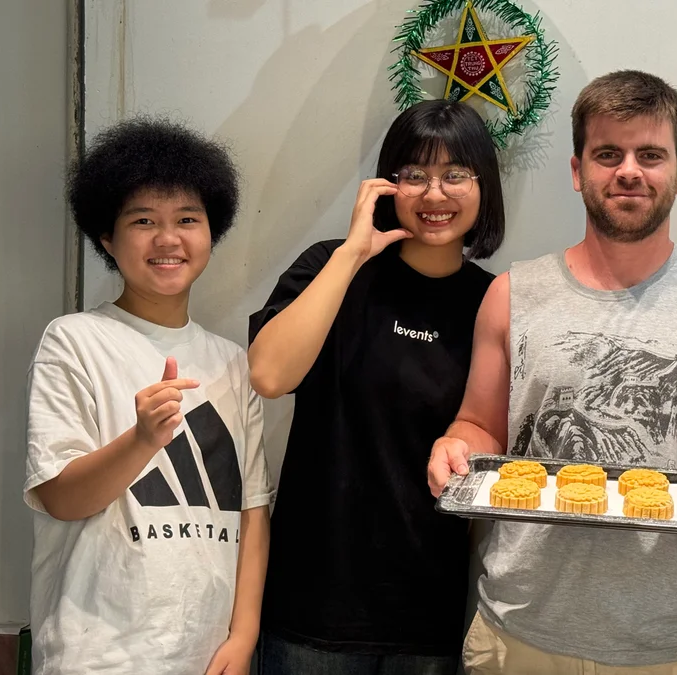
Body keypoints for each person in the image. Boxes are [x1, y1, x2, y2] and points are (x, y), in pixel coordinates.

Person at [427, 69, 677, 674]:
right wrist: (454, 448)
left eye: (651, 154)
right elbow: (478, 425)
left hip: (669, 640)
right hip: (517, 630)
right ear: (577, 170)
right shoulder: (512, 294)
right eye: (608, 154)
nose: (629, 171)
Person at [247, 99, 505, 674]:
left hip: (429, 607)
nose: (434, 195)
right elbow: (268, 375)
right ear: (386, 185)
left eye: (455, 175)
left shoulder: (495, 301)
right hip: (314, 605)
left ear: (484, 185)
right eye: (415, 175)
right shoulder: (331, 267)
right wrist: (352, 253)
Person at [25, 118, 273, 675]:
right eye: (143, 221)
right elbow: (62, 499)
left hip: (208, 653)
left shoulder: (233, 362)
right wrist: (142, 440)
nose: (168, 238)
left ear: (211, 232)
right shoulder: (74, 340)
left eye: (187, 219)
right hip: (100, 653)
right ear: (108, 239)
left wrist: (244, 635)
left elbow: (252, 510)